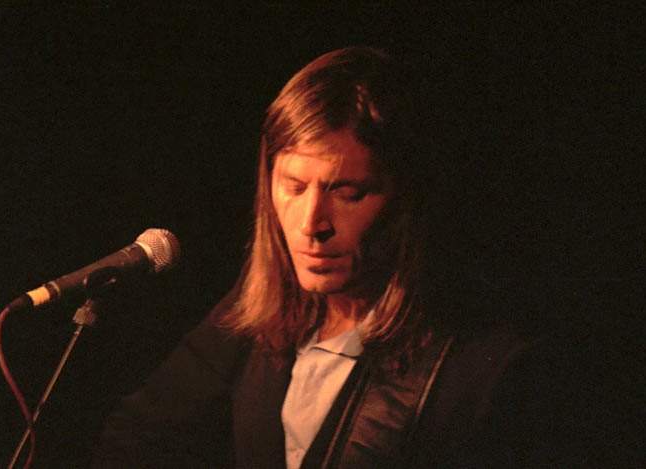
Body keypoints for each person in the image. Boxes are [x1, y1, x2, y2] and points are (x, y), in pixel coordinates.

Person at [94, 47, 579, 468]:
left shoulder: (486, 365)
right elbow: (138, 438)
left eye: (347, 193)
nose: (311, 224)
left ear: (405, 200)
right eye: (293, 187)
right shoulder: (260, 309)